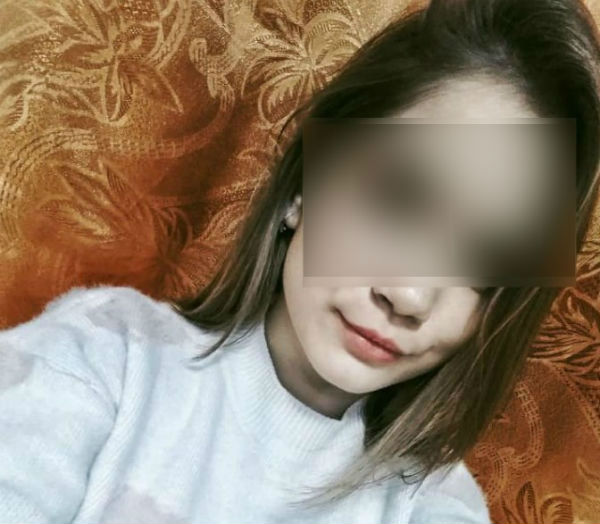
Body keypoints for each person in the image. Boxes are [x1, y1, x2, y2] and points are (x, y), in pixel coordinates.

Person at [0, 0, 598, 522]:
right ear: (305, 180)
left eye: (487, 259)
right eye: (398, 199)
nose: (411, 295)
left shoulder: (433, 506)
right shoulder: (102, 358)